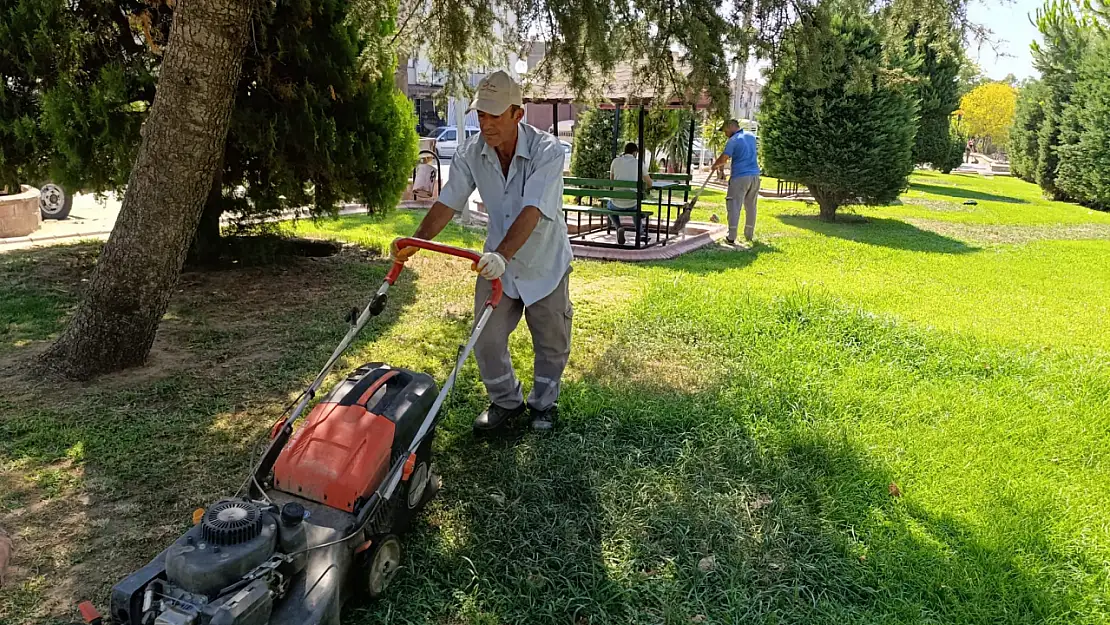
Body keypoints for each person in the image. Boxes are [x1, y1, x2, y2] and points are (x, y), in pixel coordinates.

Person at [390, 70, 573, 433]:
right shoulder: (471, 153)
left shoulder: (547, 152)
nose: (486, 124)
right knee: (485, 336)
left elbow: (532, 211)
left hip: (544, 261)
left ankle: (544, 404)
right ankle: (506, 400)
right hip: (498, 265)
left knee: (551, 341)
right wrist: (416, 242)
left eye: (494, 115)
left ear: (517, 114)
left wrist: (503, 255)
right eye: (481, 115)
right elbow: (447, 203)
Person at [710, 119, 760, 244]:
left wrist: (715, 165)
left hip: (740, 177)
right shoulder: (751, 136)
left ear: (731, 127)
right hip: (755, 175)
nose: (725, 134)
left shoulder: (733, 140)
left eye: (725, 131)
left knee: (734, 205)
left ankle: (731, 236)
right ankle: (749, 234)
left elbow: (724, 158)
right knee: (751, 206)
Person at [608, 142, 654, 245]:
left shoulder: (615, 161)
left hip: (616, 204)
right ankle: (641, 233)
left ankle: (619, 227)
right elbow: (650, 183)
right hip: (632, 204)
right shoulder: (639, 163)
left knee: (608, 206)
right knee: (636, 206)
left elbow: (611, 181)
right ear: (634, 153)